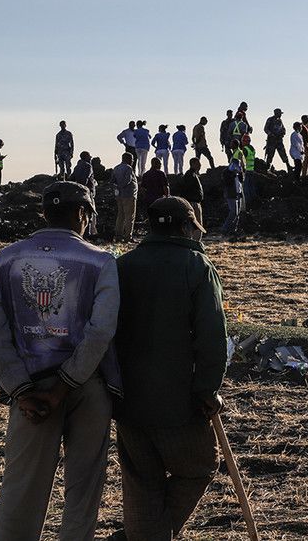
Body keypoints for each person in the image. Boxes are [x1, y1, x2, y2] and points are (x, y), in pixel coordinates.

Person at [0, 181, 121, 541]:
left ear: (44, 213)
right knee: (83, 490)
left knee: (21, 487)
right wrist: (64, 386)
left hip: (30, 389)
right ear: (82, 214)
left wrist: (21, 390)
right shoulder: (100, 260)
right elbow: (100, 332)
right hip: (87, 387)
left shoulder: (8, 258)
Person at [115, 197, 226, 540]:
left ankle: (141, 535)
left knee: (141, 481)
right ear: (184, 226)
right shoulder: (196, 266)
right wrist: (207, 389)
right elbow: (212, 335)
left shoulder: (122, 265)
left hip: (127, 398)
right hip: (178, 399)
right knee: (198, 468)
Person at [70, 151, 98, 237]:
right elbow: (85, 179)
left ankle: (81, 233)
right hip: (87, 193)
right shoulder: (88, 166)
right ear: (86, 157)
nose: (90, 158)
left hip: (78, 193)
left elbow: (72, 178)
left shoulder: (77, 166)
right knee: (89, 214)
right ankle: (87, 234)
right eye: (89, 157)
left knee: (81, 214)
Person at [112, 152, 138, 242]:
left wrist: (118, 189)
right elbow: (128, 180)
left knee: (120, 216)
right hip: (129, 195)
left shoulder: (116, 168)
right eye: (132, 159)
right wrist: (122, 187)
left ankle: (118, 235)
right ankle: (128, 237)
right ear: (129, 159)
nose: (133, 161)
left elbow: (112, 181)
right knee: (129, 217)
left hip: (119, 195)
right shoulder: (128, 168)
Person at [179, 157, 205, 235]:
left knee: (195, 225)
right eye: (198, 164)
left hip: (194, 202)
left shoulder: (193, 174)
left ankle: (194, 241)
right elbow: (188, 188)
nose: (200, 165)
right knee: (196, 224)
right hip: (193, 202)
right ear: (193, 164)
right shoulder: (190, 175)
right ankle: (194, 242)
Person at [222, 159, 244, 235]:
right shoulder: (226, 172)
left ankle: (233, 229)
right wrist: (233, 174)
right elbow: (226, 182)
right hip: (231, 194)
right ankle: (225, 228)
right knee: (233, 212)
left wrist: (240, 173)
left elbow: (242, 180)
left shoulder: (238, 172)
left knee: (237, 214)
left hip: (238, 193)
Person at [242, 135, 257, 207]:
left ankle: (247, 203)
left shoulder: (245, 149)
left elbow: (243, 160)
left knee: (246, 188)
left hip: (246, 171)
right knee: (251, 187)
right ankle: (253, 201)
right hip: (251, 170)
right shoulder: (252, 148)